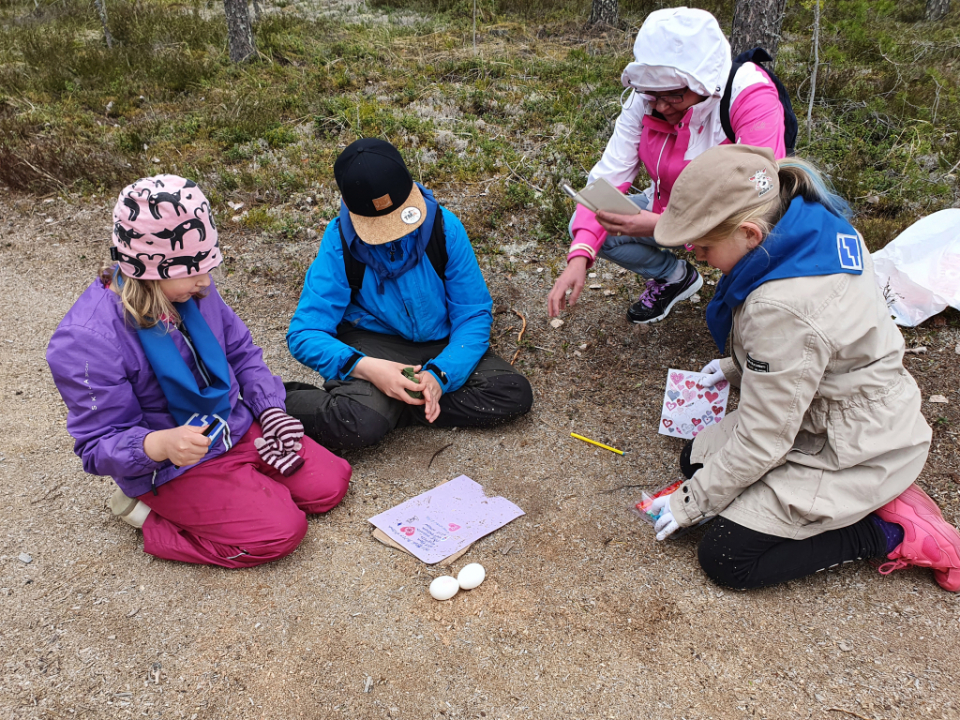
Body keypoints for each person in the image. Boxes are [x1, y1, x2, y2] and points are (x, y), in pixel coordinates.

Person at [647, 145, 960, 592]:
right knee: (695, 458)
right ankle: (866, 499)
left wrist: (690, 504)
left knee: (727, 557)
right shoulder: (811, 224)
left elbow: (765, 438)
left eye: (705, 246)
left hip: (853, 442)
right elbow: (815, 349)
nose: (697, 254)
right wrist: (735, 369)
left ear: (751, 233)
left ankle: (891, 533)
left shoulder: (781, 306)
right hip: (843, 406)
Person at [46, 175, 351, 568]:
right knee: (281, 532)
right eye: (192, 271)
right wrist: (159, 446)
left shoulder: (195, 291)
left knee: (329, 486)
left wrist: (270, 410)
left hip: (233, 428)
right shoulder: (86, 339)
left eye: (208, 263)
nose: (206, 280)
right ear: (149, 269)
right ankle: (148, 516)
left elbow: (242, 352)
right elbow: (96, 445)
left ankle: (242, 489)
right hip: (171, 465)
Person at [284, 138, 533, 450]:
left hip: (442, 344)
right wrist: (367, 368)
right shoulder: (339, 244)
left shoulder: (445, 228)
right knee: (359, 424)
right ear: (350, 208)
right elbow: (304, 333)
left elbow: (472, 313)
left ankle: (389, 407)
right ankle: (270, 401)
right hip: (375, 346)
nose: (393, 234)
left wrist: (441, 375)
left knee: (511, 392)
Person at [547, 6, 787, 324]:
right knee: (593, 226)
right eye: (652, 93)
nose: (660, 106)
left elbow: (760, 198)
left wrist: (665, 226)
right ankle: (675, 277)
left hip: (730, 219)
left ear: (704, 81)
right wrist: (579, 256)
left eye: (673, 95)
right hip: (664, 207)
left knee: (757, 255)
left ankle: (752, 307)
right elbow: (609, 174)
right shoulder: (646, 98)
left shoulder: (750, 96)